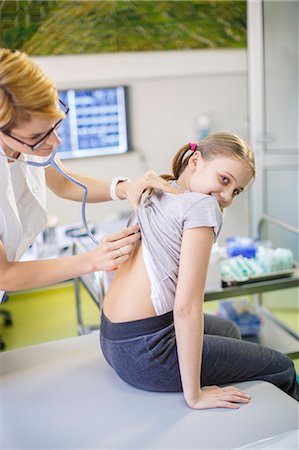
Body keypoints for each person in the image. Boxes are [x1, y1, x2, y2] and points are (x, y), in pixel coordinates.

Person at [100, 133, 299, 409]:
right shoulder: (203, 206)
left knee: (228, 329)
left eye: (237, 191)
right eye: (225, 180)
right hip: (147, 353)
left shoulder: (157, 186)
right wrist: (194, 395)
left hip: (113, 341)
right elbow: (187, 307)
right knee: (283, 367)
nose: (227, 197)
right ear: (196, 160)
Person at [0, 48, 177, 300]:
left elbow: (63, 182)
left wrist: (123, 187)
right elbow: (4, 275)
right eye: (37, 137)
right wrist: (92, 261)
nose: (56, 141)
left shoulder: (26, 140)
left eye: (55, 124)